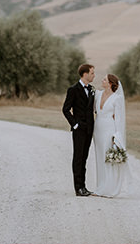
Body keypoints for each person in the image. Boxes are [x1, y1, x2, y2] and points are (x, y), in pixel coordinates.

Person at [91, 73, 131, 197]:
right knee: (99, 158)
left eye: (104, 79)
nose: (102, 80)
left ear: (110, 84)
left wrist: (117, 136)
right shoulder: (98, 94)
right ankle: (100, 187)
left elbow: (118, 119)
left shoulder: (116, 98)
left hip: (109, 129)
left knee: (107, 158)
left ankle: (109, 188)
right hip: (97, 129)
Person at [62, 64, 96, 196]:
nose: (94, 75)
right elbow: (65, 109)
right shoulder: (73, 90)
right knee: (78, 158)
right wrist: (75, 124)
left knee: (84, 158)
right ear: (85, 74)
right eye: (92, 73)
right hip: (79, 129)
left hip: (89, 129)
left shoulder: (92, 89)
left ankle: (84, 186)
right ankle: (78, 188)